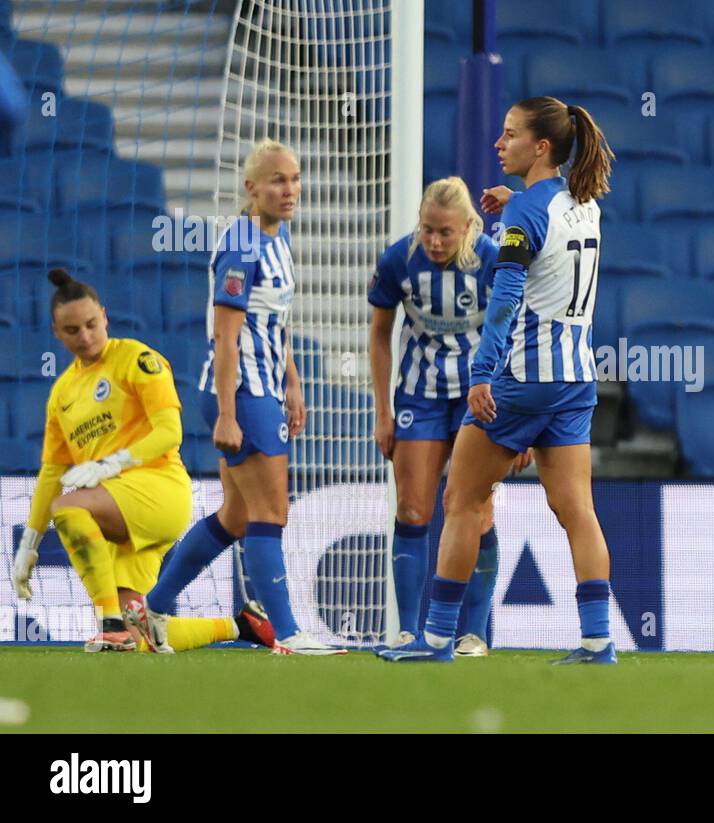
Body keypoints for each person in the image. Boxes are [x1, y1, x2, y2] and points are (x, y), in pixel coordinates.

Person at [379, 96, 616, 665]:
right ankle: (597, 641)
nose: (497, 143)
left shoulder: (524, 217)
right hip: (577, 380)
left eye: (509, 135)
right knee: (577, 509)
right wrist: (519, 201)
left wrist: (482, 375)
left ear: (540, 147)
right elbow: (547, 222)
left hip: (522, 379)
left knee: (461, 498)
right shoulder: (583, 204)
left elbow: (506, 301)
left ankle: (436, 639)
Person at [142, 139, 343, 655]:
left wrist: (293, 381)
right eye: (278, 180)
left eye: (295, 178)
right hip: (242, 392)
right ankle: (289, 633)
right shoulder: (242, 246)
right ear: (251, 188)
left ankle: (154, 608)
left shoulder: (278, 236)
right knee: (270, 512)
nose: (290, 189)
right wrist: (228, 414)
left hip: (265, 388)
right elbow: (226, 337)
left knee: (235, 515)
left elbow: (273, 320)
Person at [10, 269, 275, 653]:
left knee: (68, 508)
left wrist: (109, 464)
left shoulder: (136, 359)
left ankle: (110, 623)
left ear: (105, 316)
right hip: (118, 511)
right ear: (56, 332)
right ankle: (241, 625)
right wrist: (29, 546)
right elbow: (51, 473)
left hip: (158, 491)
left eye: (91, 324)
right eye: (72, 330)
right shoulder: (62, 393)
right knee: (140, 639)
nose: (85, 337)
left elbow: (170, 432)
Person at [368, 175, 531, 655]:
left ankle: (474, 633)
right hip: (419, 394)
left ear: (468, 227)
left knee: (475, 511)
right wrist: (383, 411)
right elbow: (379, 334)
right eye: (427, 230)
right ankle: (407, 630)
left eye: (446, 232)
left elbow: (516, 335)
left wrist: (518, 422)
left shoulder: (493, 260)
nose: (435, 242)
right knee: (412, 508)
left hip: (478, 397)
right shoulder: (398, 259)